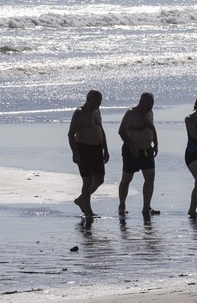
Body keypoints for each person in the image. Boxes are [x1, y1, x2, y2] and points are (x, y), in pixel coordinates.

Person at [68, 89, 109, 222]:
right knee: (87, 181)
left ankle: (81, 200)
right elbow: (71, 134)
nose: (99, 104)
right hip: (84, 149)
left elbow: (101, 129)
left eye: (100, 101)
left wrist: (106, 149)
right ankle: (88, 211)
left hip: (97, 149)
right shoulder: (80, 113)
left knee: (99, 179)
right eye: (97, 101)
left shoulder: (97, 111)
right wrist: (75, 153)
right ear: (89, 100)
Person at [117, 92, 159, 220]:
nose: (150, 108)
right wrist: (132, 146)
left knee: (150, 177)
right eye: (148, 105)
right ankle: (122, 205)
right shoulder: (131, 113)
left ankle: (147, 206)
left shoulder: (150, 113)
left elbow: (152, 128)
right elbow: (121, 131)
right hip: (132, 150)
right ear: (141, 102)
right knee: (127, 178)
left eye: (152, 105)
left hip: (147, 150)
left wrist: (156, 143)